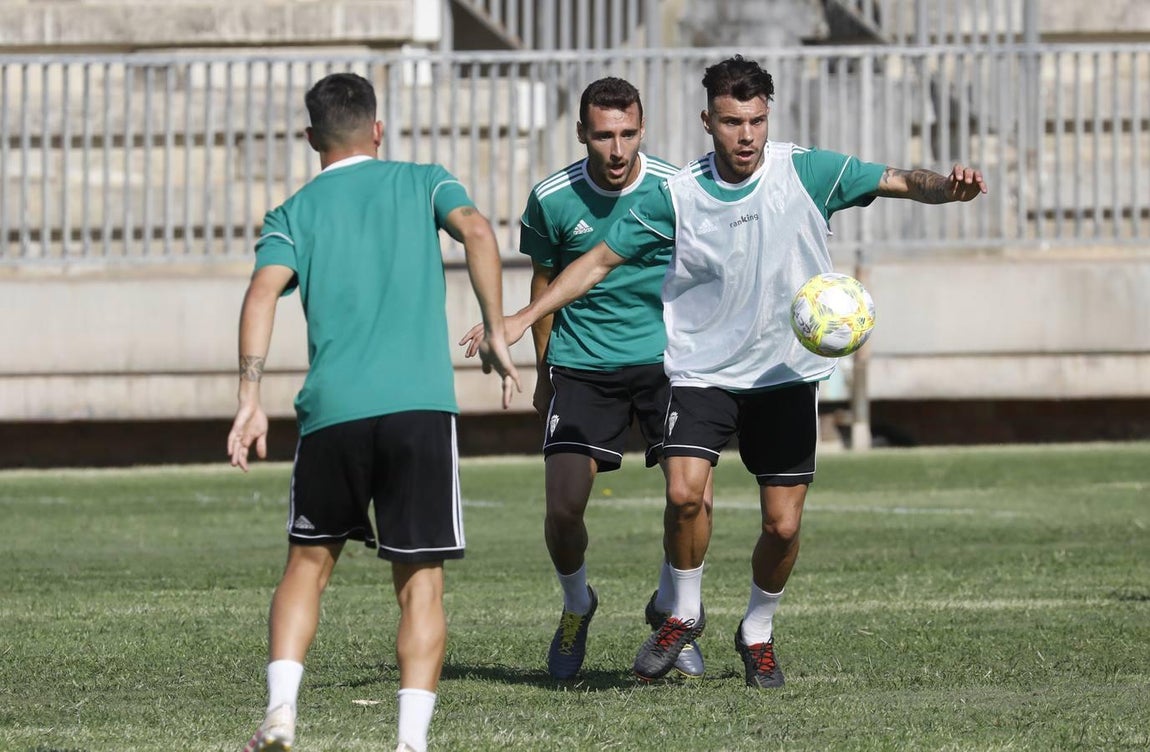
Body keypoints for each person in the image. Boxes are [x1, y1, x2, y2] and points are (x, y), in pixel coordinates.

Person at [479, 55, 988, 688]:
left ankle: (757, 630)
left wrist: (949, 186)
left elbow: (900, 180)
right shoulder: (680, 193)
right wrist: (525, 316)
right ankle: (684, 613)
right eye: (730, 121)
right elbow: (597, 261)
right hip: (702, 372)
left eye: (754, 120)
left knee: (783, 525)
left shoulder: (808, 172)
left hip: (784, 372)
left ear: (766, 117)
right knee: (685, 493)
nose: (745, 135)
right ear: (707, 122)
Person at [227, 72, 519, 752]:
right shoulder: (423, 180)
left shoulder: (292, 213)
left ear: (311, 139)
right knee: (420, 581)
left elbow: (261, 294)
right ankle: (410, 743)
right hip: (419, 407)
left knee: (307, 565)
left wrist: (249, 398)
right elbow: (476, 229)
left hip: (334, 411)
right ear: (378, 130)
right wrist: (496, 327)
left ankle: (280, 713)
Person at [514, 77, 710, 680]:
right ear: (582, 135)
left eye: (628, 134)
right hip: (582, 365)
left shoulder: (677, 191)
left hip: (668, 363)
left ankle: (671, 611)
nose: (617, 149)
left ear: (642, 129)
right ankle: (577, 606)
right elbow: (543, 284)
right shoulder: (552, 198)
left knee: (692, 497)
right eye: (603, 136)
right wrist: (544, 376)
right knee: (564, 508)